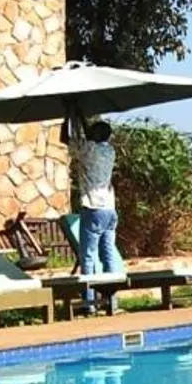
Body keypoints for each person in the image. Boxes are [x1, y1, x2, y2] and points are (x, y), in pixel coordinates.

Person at [71, 116, 124, 278]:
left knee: (87, 255)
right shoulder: (110, 151)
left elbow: (65, 139)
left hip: (93, 207)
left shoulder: (89, 150)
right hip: (109, 209)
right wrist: (78, 112)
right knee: (108, 254)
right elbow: (89, 136)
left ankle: (89, 299)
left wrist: (70, 116)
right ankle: (110, 298)